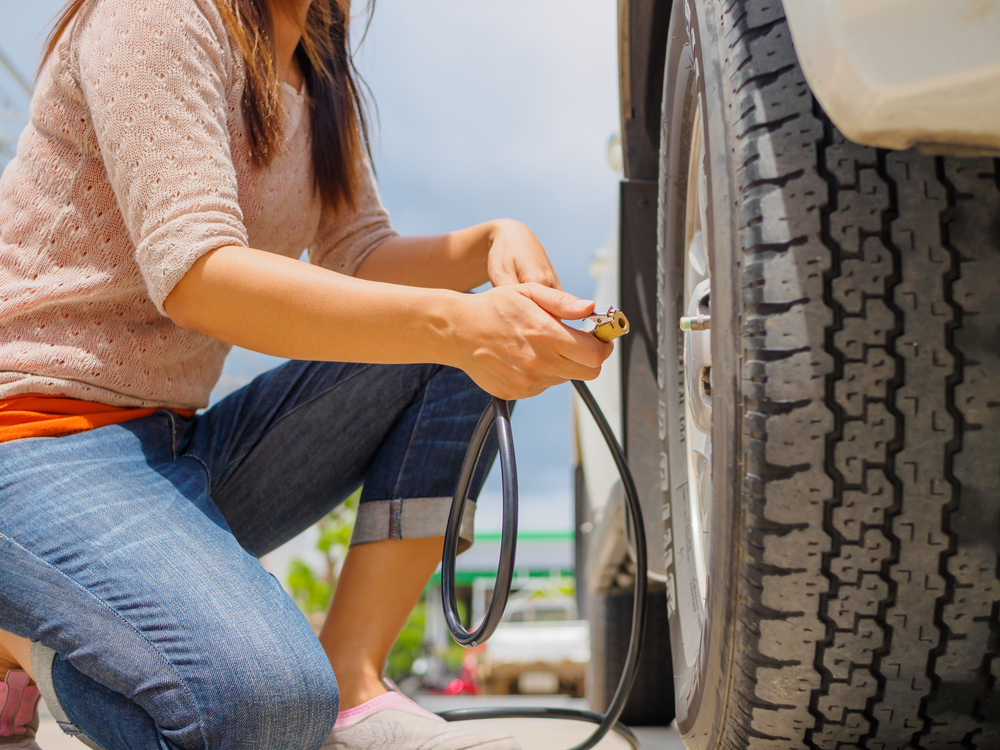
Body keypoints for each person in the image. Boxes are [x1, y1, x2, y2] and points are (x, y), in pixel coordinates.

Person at [0, 0, 612, 748]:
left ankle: (354, 680)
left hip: (173, 451)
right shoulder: (155, 15)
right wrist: (457, 326)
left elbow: (357, 252)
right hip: (34, 444)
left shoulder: (315, 69)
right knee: (267, 706)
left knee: (453, 346)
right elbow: (198, 278)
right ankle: (30, 640)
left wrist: (489, 243)